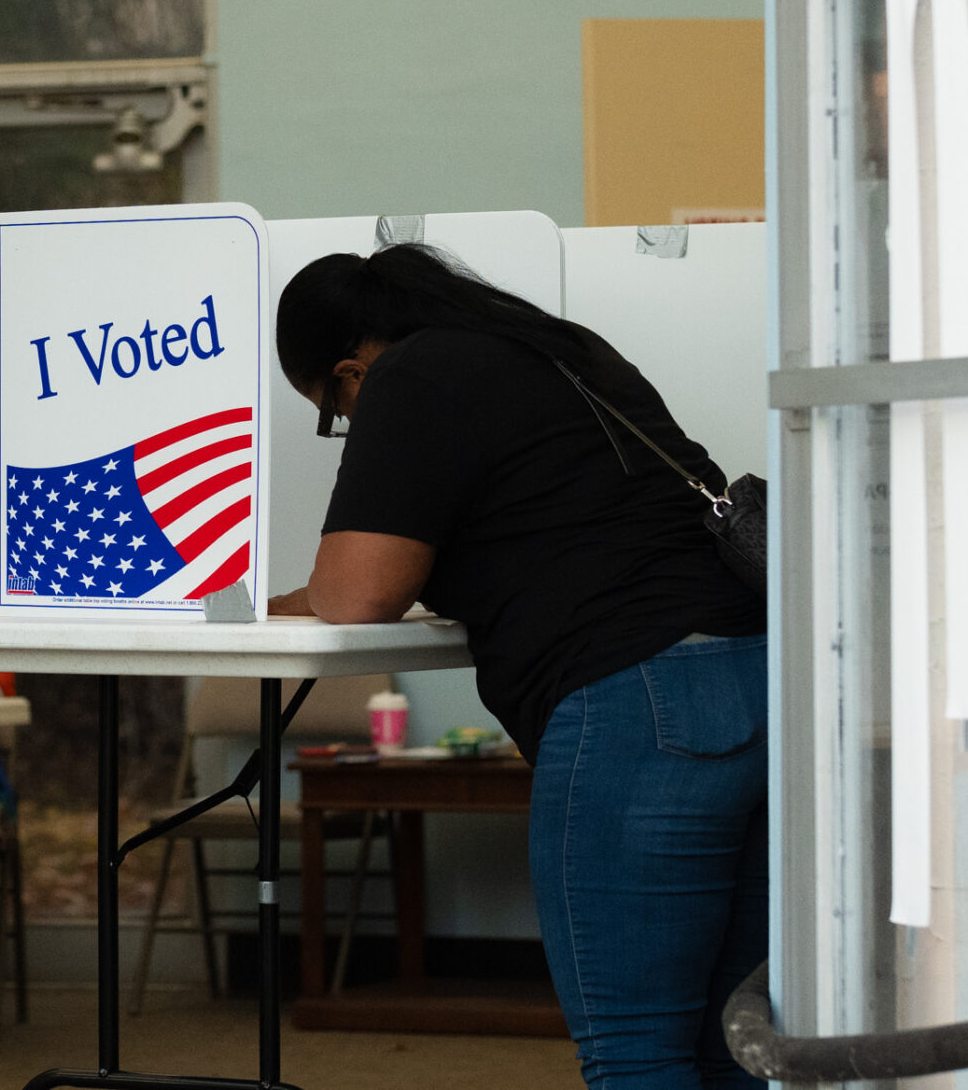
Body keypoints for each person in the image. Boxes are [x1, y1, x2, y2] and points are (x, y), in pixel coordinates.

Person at [266, 244, 766, 1088]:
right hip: (756, 685)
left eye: (335, 410)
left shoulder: (413, 375)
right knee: (735, 1042)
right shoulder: (560, 349)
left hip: (636, 708)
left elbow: (356, 594)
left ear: (352, 372)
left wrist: (246, 603)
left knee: (636, 1047)